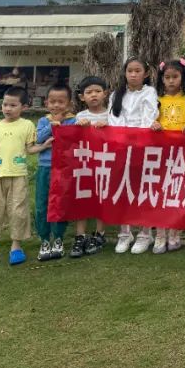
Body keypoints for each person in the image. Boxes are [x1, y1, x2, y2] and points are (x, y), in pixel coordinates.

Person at [0, 86, 37, 268]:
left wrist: (45, 145)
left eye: (13, 105)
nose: (8, 108)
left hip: (18, 175)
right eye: (5, 104)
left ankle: (16, 247)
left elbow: (30, 149)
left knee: (18, 211)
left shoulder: (27, 125)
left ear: (24, 107)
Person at [108, 57, 159, 254]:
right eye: (130, 70)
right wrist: (123, 140)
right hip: (121, 147)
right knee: (123, 189)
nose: (133, 74)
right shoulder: (116, 94)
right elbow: (114, 119)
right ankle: (124, 232)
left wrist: (137, 140)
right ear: (125, 73)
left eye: (138, 71)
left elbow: (148, 118)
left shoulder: (149, 92)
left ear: (146, 74)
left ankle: (145, 233)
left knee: (143, 189)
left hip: (142, 147)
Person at [151, 58, 185, 254]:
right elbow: (150, 120)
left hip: (181, 154)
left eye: (175, 77)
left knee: (177, 192)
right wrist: (154, 123)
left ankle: (175, 232)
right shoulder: (156, 101)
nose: (171, 81)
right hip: (161, 154)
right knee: (160, 192)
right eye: (167, 77)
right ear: (162, 78)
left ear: (182, 77)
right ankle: (160, 234)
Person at [28, 83, 76, 262]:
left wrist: (63, 124)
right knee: (42, 204)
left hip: (64, 168)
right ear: (46, 103)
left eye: (61, 102)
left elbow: (75, 141)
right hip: (45, 167)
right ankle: (44, 240)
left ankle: (58, 239)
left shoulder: (73, 121)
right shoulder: (43, 121)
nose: (56, 105)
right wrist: (52, 126)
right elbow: (39, 139)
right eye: (53, 101)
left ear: (69, 104)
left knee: (60, 204)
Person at [71, 75, 110, 256]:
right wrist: (80, 127)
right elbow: (74, 139)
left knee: (102, 197)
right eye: (89, 92)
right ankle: (80, 235)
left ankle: (99, 234)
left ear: (105, 94)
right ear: (82, 97)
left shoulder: (111, 115)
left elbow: (118, 136)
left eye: (97, 91)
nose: (94, 95)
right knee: (83, 198)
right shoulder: (80, 116)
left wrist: (108, 127)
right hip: (85, 164)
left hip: (105, 162)